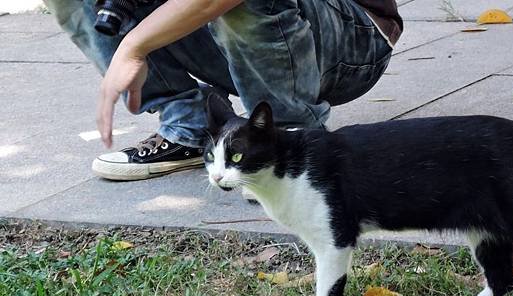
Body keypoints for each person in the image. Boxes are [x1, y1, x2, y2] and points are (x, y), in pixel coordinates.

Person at [43, 0, 402, 181]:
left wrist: (133, 45)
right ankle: (191, 128)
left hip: (353, 39)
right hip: (235, 39)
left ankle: (290, 138)